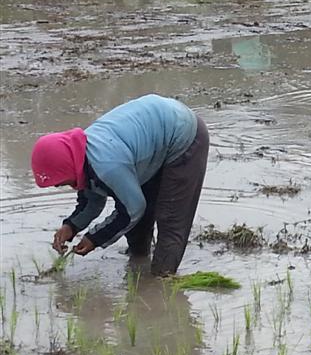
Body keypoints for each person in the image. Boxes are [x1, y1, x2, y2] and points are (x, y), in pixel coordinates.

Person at [30, 94, 209, 277]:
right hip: (149, 143)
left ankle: (161, 284)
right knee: (139, 222)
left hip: (183, 134)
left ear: (67, 168)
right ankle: (138, 261)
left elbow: (133, 209)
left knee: (170, 220)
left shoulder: (107, 166)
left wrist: (94, 238)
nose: (59, 186)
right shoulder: (80, 158)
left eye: (59, 182)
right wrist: (71, 227)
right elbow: (91, 202)